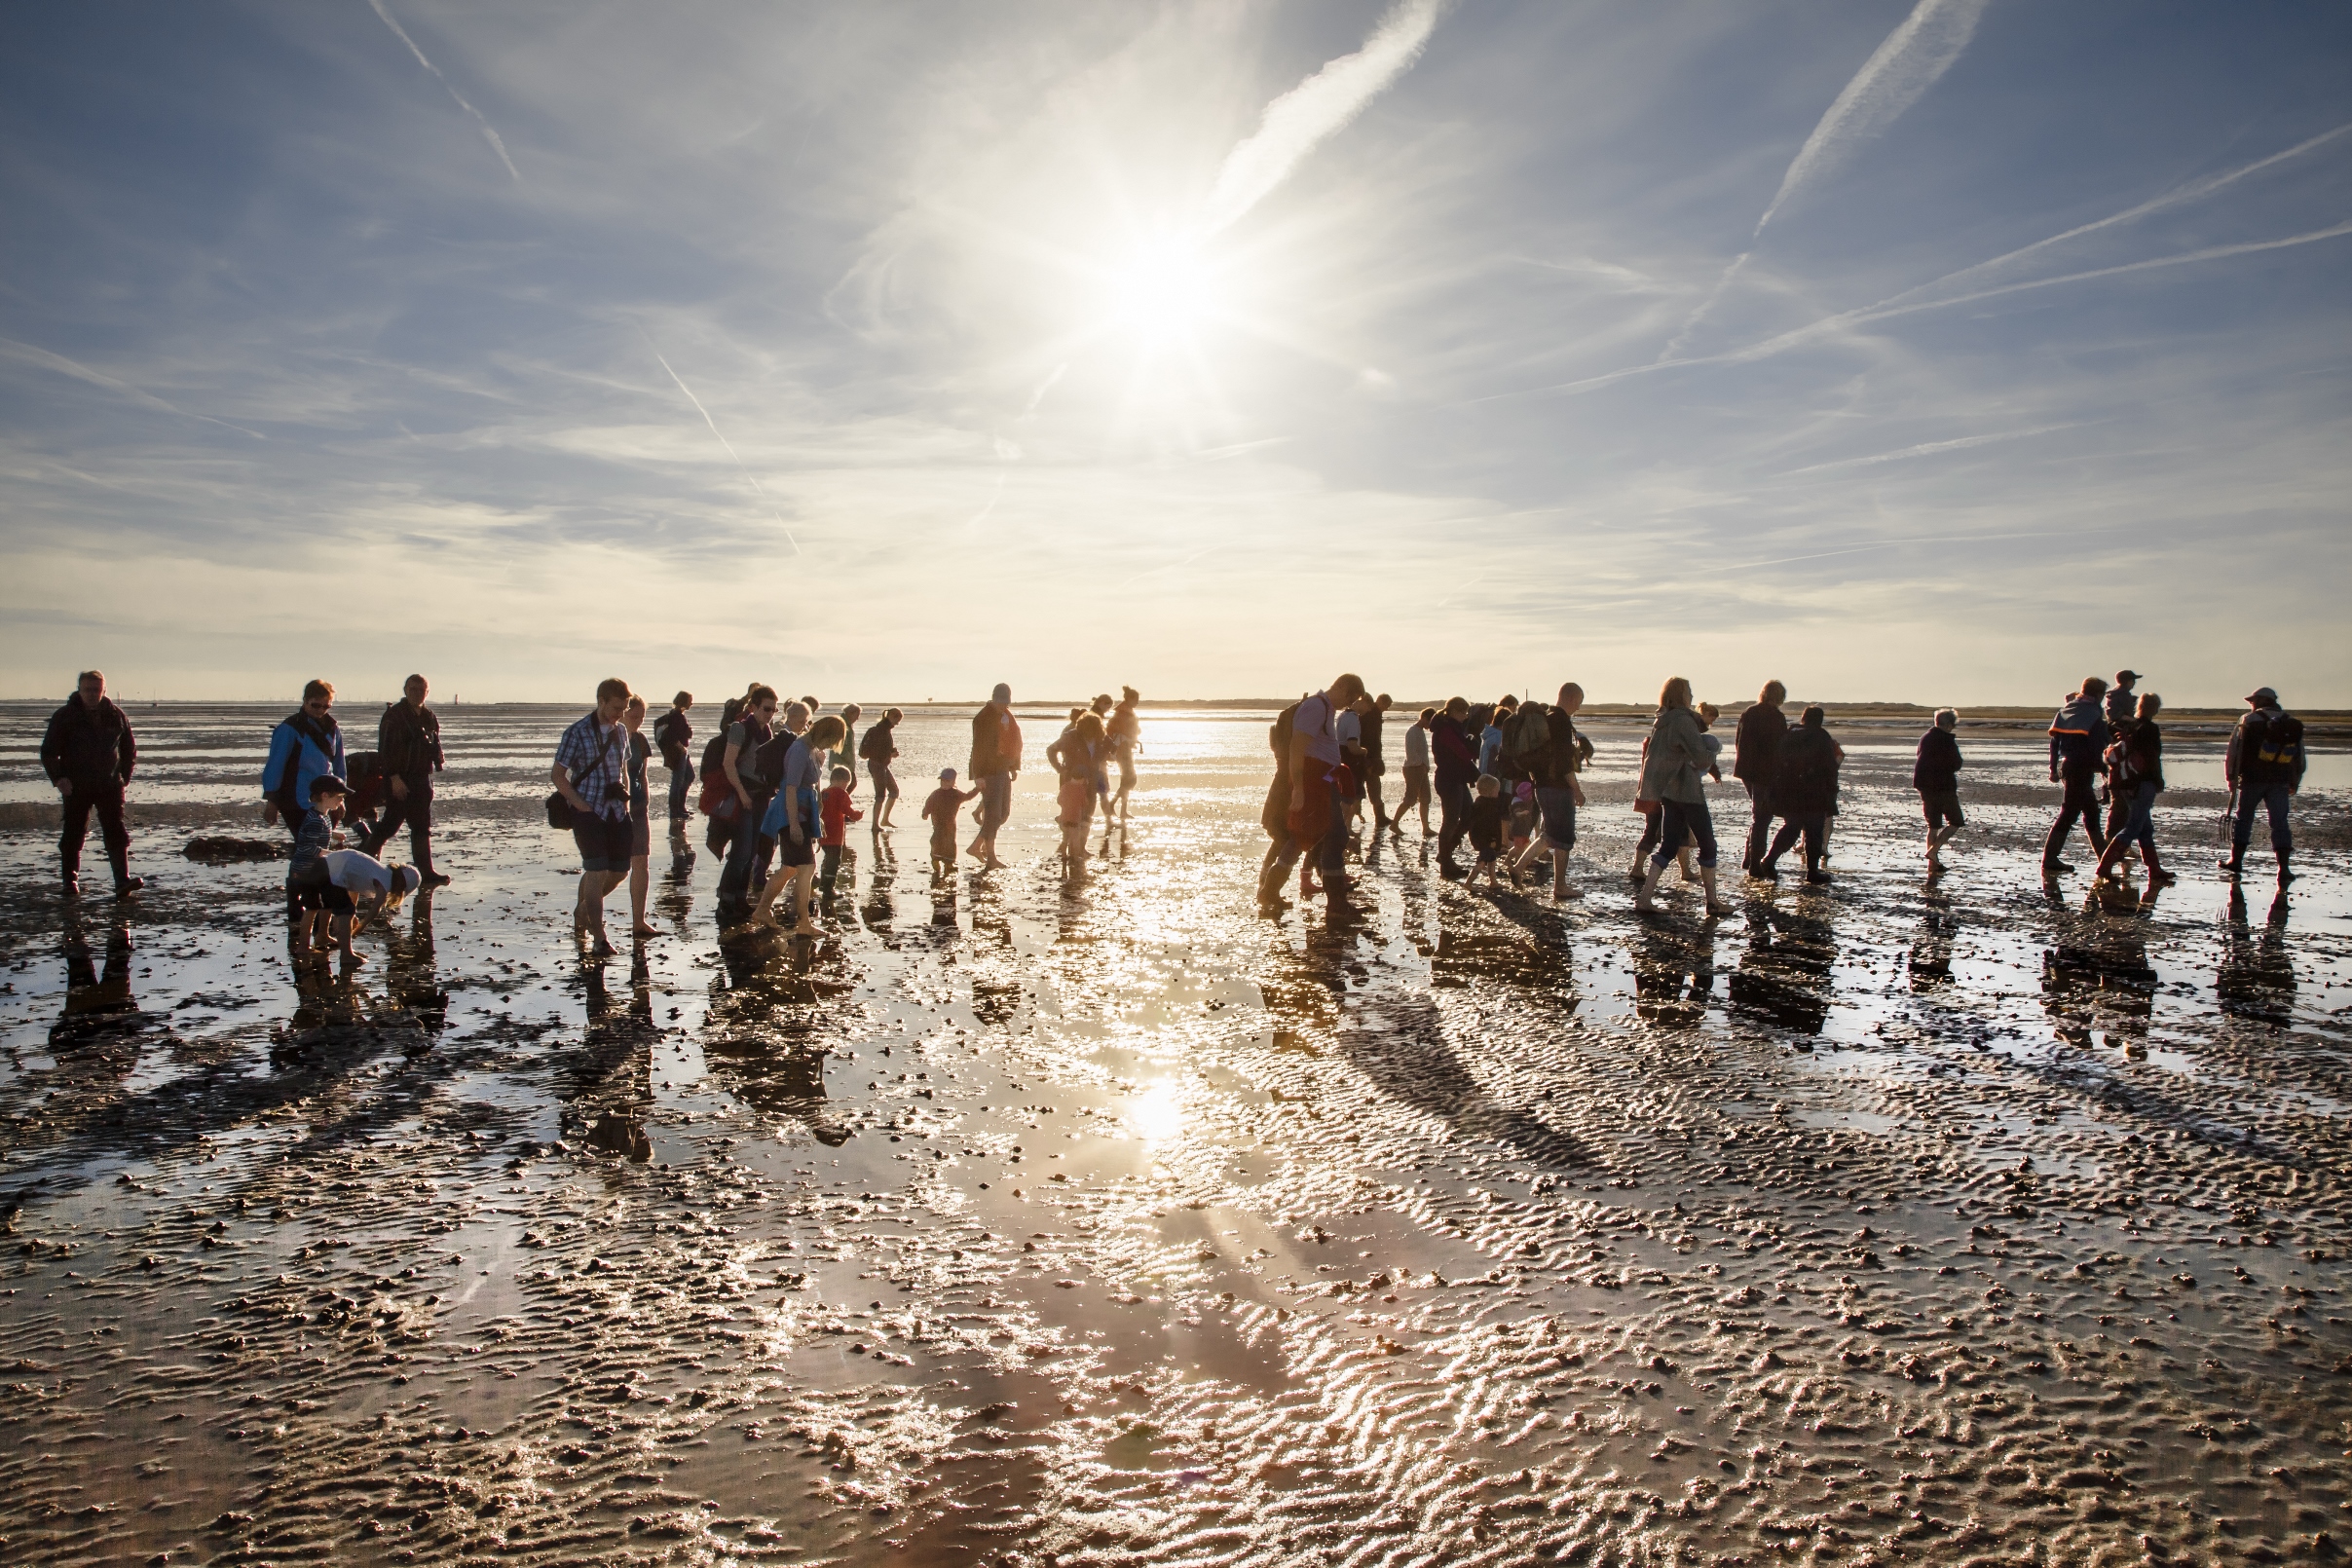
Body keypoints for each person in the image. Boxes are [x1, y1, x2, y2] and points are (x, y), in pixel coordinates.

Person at [551, 678, 635, 956]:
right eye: (615, 708)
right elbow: (557, 775)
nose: (620, 714)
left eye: (623, 709)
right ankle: (599, 936)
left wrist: (626, 798)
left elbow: (623, 766)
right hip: (588, 812)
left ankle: (583, 909)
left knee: (621, 870)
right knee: (596, 870)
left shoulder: (621, 732)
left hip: (617, 810)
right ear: (601, 701)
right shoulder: (577, 733)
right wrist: (579, 804)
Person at [42, 669, 141, 899]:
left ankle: (122, 881)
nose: (92, 694)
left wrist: (123, 778)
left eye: (96, 689)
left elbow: (129, 750)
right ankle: (70, 881)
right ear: (79, 689)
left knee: (116, 830)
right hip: (76, 786)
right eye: (88, 689)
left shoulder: (116, 716)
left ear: (103, 691)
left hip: (109, 785)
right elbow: (48, 752)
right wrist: (59, 779)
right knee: (74, 833)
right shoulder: (65, 716)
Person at [1633, 677, 1728, 915]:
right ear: (1682, 696)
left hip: (1668, 791)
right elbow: (1702, 759)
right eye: (1689, 691)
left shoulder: (1661, 721)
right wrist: (1713, 751)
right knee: (1707, 844)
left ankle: (1645, 898)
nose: (1693, 696)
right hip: (1687, 791)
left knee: (1668, 845)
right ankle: (1712, 902)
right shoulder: (1684, 722)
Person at [751, 713, 847, 931]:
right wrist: (793, 824)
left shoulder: (812, 750)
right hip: (790, 814)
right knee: (807, 867)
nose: (831, 746)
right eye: (831, 741)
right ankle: (803, 923)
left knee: (790, 868)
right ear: (824, 734)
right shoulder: (799, 750)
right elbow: (791, 789)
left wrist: (818, 816)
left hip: (805, 813)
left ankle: (762, 910)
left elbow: (813, 786)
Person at [1287, 673, 1366, 896]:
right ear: (1341, 688)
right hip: (1315, 783)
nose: (1348, 706)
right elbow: (1296, 747)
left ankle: (1336, 895)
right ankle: (1336, 900)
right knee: (1322, 836)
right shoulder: (1317, 706)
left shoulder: (1327, 709)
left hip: (1326, 781)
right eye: (1349, 700)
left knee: (1324, 836)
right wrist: (1299, 788)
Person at [1508, 682, 1588, 900]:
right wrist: (1577, 790)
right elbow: (1563, 763)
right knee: (1563, 838)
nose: (1579, 707)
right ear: (1571, 698)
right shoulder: (1560, 721)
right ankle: (1560, 886)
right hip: (1557, 787)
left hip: (1541, 785)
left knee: (1549, 834)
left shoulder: (1548, 717)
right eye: (1579, 702)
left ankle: (1518, 867)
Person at [366, 673, 448, 885]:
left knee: (422, 827)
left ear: (427, 693)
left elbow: (434, 743)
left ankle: (427, 873)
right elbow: (384, 750)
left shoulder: (428, 715)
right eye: (413, 689)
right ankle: (362, 860)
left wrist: (438, 759)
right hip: (399, 778)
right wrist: (393, 778)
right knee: (390, 825)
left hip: (422, 778)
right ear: (405, 690)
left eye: (422, 690)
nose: (417, 694)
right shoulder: (394, 716)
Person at [2221, 686, 2305, 883]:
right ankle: (2284, 868)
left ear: (2258, 701)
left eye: (2252, 701)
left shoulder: (2248, 720)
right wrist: (2295, 779)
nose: (2251, 705)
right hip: (2281, 779)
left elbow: (2235, 749)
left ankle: (2236, 860)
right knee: (2280, 823)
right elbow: (2299, 755)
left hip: (2252, 778)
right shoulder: (2291, 723)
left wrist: (2231, 777)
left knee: (2244, 819)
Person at [1756, 706, 1841, 885]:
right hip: (1813, 790)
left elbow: (1776, 761)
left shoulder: (1789, 735)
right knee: (1814, 830)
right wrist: (1831, 789)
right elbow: (1828, 766)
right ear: (1819, 720)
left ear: (1803, 718)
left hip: (1788, 789)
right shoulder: (1821, 736)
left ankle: (1770, 859)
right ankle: (1812, 870)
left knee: (1792, 826)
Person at [2095, 692, 2172, 885]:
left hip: (2126, 782)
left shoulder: (2129, 727)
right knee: (2132, 828)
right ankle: (2104, 867)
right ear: (2154, 708)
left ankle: (2154, 869)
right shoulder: (2150, 729)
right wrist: (2158, 779)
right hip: (2143, 782)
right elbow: (2152, 757)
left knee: (2145, 829)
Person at [716, 688, 782, 910]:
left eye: (774, 709)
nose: (770, 713)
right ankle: (726, 897)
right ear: (753, 707)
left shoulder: (767, 732)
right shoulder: (740, 728)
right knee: (742, 850)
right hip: (742, 795)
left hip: (761, 797)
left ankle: (740, 897)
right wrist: (743, 794)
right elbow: (728, 764)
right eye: (766, 708)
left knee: (753, 850)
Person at [262, 679, 348, 841]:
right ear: (305, 701)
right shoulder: (289, 729)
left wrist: (340, 796)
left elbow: (339, 765)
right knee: (308, 847)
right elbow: (275, 766)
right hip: (296, 800)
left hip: (326, 800)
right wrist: (272, 802)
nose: (321, 710)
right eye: (316, 705)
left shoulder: (333, 729)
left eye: (326, 706)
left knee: (320, 847)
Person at [2042, 677, 2112, 875]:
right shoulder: (2094, 715)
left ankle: (2104, 859)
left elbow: (2054, 742)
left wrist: (2053, 769)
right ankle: (2050, 858)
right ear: (2098, 695)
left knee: (2090, 813)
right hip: (2082, 769)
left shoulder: (2067, 710)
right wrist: (2105, 773)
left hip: (2068, 767)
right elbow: (2098, 747)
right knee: (2069, 813)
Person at [319, 846, 421, 967]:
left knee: (330, 904)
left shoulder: (382, 871)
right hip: (336, 870)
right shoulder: (386, 881)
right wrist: (360, 927)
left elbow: (354, 886)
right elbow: (375, 909)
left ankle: (322, 935)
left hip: (332, 864)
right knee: (346, 912)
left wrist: (354, 912)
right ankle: (346, 955)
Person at [286, 774, 347, 960]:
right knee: (312, 907)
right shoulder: (316, 820)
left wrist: (333, 835)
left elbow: (321, 833)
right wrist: (333, 854)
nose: (341, 802)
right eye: (339, 798)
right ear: (325, 796)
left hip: (316, 870)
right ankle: (303, 946)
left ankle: (322, 936)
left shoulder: (322, 817)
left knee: (328, 899)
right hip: (305, 872)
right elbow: (308, 847)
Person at [1734, 680, 1787, 874]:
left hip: (1747, 771)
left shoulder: (1749, 712)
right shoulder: (1776, 717)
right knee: (1762, 818)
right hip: (1765, 773)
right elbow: (1780, 748)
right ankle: (1755, 863)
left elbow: (1739, 742)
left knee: (1759, 815)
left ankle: (1749, 859)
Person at [968, 685, 1022, 870]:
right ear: (993, 699)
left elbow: (1016, 740)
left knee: (1003, 813)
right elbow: (978, 749)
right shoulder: (983, 718)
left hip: (1004, 767)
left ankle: (977, 846)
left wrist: (1014, 766)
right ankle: (989, 856)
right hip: (988, 771)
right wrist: (978, 775)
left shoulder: (1008, 716)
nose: (1003, 705)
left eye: (1006, 702)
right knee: (992, 814)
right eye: (1000, 701)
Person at [1050, 710, 1108, 874]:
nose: (1091, 734)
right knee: (1073, 816)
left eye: (1094, 730)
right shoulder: (1071, 736)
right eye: (1088, 731)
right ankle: (1071, 850)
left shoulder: (1100, 737)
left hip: (1090, 782)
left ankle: (1080, 848)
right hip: (1072, 783)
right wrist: (1059, 768)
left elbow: (1111, 748)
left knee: (1088, 814)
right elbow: (1051, 750)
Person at [621, 694, 659, 941]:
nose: (638, 721)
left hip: (638, 808)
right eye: (634, 716)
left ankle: (639, 921)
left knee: (641, 863)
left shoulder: (641, 740)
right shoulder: (614, 739)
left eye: (642, 716)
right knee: (610, 868)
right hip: (615, 809)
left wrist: (645, 801)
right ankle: (584, 911)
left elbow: (642, 774)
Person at [1913, 708, 1964, 874]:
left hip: (1924, 785)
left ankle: (1933, 862)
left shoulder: (1925, 737)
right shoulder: (1946, 740)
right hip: (1942, 786)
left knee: (1933, 825)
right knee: (1955, 821)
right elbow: (1956, 763)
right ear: (1949, 725)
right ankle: (1933, 851)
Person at [1432, 696, 1479, 873]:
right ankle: (1446, 863)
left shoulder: (1454, 728)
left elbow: (1465, 754)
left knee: (1468, 816)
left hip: (1456, 778)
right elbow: (1463, 753)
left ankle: (1445, 853)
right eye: (1463, 712)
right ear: (1452, 711)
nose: (1465, 716)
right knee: (1450, 822)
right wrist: (1471, 745)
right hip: (1448, 779)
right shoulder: (1445, 729)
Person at [817, 764, 863, 902]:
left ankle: (823, 883)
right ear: (844, 782)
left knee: (827, 859)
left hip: (823, 833)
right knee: (834, 861)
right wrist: (857, 815)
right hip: (835, 835)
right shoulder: (841, 793)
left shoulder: (824, 792)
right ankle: (828, 888)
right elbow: (847, 811)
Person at [923, 768, 978, 878]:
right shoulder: (936, 794)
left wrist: (977, 789)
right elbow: (928, 804)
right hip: (938, 823)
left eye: (947, 781)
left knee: (950, 843)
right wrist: (925, 813)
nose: (944, 783)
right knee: (935, 841)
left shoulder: (956, 794)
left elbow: (968, 796)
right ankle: (935, 860)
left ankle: (949, 863)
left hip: (950, 823)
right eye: (942, 781)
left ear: (953, 781)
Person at [653, 691, 694, 824]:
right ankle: (675, 811)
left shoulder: (678, 715)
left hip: (682, 752)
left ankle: (680, 808)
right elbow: (672, 736)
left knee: (689, 776)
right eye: (690, 700)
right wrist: (681, 747)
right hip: (679, 753)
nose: (692, 703)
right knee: (677, 781)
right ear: (684, 700)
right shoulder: (676, 716)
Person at [860, 706, 905, 828]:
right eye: (897, 719)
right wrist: (890, 754)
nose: (897, 723)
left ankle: (884, 820)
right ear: (891, 717)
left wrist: (891, 751)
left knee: (894, 791)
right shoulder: (880, 730)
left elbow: (883, 747)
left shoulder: (885, 730)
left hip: (882, 765)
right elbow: (876, 751)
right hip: (876, 765)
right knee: (880, 795)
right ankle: (875, 824)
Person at [1107, 687, 1142, 821]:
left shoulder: (1124, 712)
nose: (1137, 702)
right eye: (1136, 700)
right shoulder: (1123, 714)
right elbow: (1125, 730)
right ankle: (1113, 805)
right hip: (1123, 749)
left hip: (1124, 749)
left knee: (1127, 779)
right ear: (1129, 699)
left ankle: (1122, 810)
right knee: (1130, 779)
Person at [1361, 693, 1393, 835]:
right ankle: (1379, 817)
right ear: (1380, 701)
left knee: (1372, 787)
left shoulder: (1374, 714)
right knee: (1369, 787)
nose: (1386, 709)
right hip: (1369, 757)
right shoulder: (1371, 715)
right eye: (1386, 706)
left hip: (1370, 756)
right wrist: (1371, 759)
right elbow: (1369, 739)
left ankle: (1380, 817)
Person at [1399, 706, 1435, 837]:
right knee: (1410, 799)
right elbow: (1411, 752)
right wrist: (1420, 765)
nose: (1431, 726)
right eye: (1430, 721)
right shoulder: (1413, 731)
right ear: (1424, 718)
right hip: (1413, 769)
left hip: (1421, 768)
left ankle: (1426, 828)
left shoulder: (1420, 731)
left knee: (1425, 799)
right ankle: (1394, 824)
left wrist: (1424, 766)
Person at [1468, 774, 1508, 888]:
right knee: (1483, 861)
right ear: (1490, 792)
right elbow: (1491, 825)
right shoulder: (1490, 806)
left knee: (1491, 859)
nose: (1498, 793)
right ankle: (1469, 882)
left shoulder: (1478, 803)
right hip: (1488, 839)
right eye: (1497, 791)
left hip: (1478, 837)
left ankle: (1493, 882)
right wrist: (1494, 839)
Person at [837, 704, 863, 795]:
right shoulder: (842, 725)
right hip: (842, 762)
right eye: (857, 715)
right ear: (850, 713)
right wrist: (849, 759)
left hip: (846, 762)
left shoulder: (847, 724)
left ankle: (841, 804)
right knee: (848, 784)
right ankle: (840, 804)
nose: (858, 718)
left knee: (848, 785)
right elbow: (840, 747)